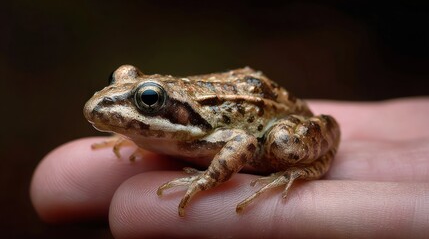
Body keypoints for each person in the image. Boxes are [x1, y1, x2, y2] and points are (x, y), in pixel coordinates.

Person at [30, 98, 429, 238]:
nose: (121, 108)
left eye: (147, 101)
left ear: (172, 105)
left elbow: (241, 141)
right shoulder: (178, 129)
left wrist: (209, 178)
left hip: (278, 122)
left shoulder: (204, 134)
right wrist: (138, 134)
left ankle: (306, 167)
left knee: (285, 145)